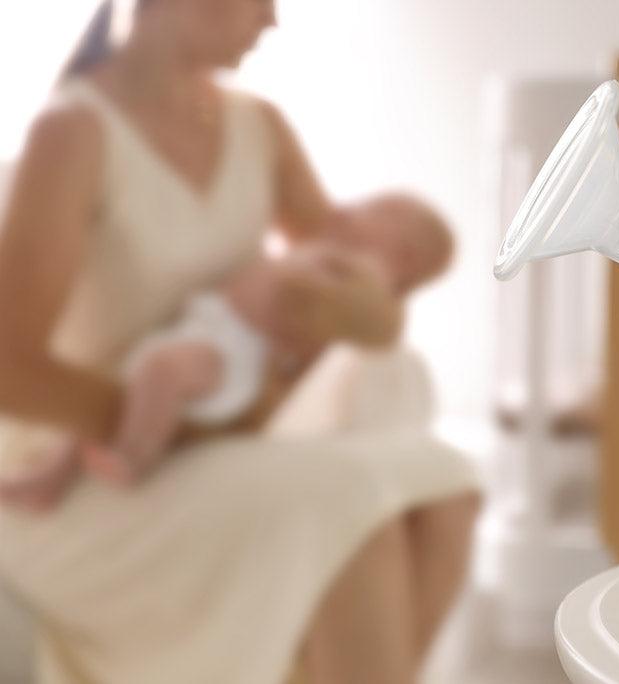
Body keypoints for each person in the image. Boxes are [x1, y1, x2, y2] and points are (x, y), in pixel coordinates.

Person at [0, 2, 480, 683]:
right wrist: (176, 423)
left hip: (213, 426)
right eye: (260, 1)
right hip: (86, 467)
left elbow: (354, 282)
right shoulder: (73, 135)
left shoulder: (260, 128)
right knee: (350, 510)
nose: (272, 23)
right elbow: (12, 374)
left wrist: (369, 295)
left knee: (449, 491)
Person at [1, 193, 454, 498]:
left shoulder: (365, 273)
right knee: (110, 387)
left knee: (161, 370)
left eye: (379, 211)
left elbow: (336, 317)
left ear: (404, 259)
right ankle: (50, 480)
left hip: (238, 357)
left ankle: (134, 458)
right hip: (208, 331)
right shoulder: (332, 251)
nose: (356, 208)